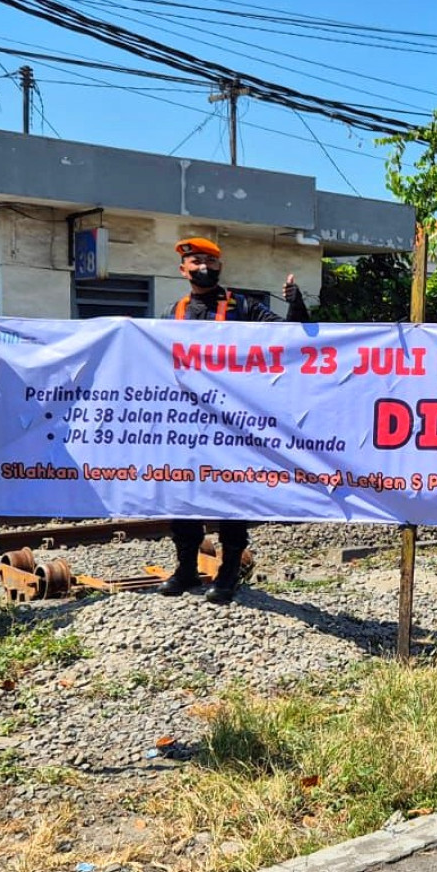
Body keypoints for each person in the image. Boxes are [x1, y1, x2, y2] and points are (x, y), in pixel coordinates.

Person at [158, 236, 310, 604]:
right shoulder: (171, 314)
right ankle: (185, 569)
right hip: (188, 424)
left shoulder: (245, 307)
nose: (203, 267)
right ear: (183, 270)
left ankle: (227, 574)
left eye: (209, 261)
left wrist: (297, 305)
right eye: (195, 262)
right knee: (183, 495)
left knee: (231, 495)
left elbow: (290, 338)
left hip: (233, 426)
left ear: (220, 267)